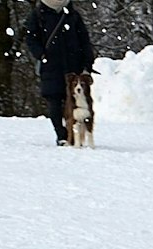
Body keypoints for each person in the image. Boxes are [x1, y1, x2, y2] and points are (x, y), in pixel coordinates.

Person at [22, 0, 95, 147]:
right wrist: (41, 55)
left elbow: (84, 41)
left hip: (73, 64)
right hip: (51, 65)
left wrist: (87, 63)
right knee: (54, 100)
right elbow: (30, 38)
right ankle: (62, 135)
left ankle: (74, 133)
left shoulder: (73, 15)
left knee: (75, 101)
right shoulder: (38, 15)